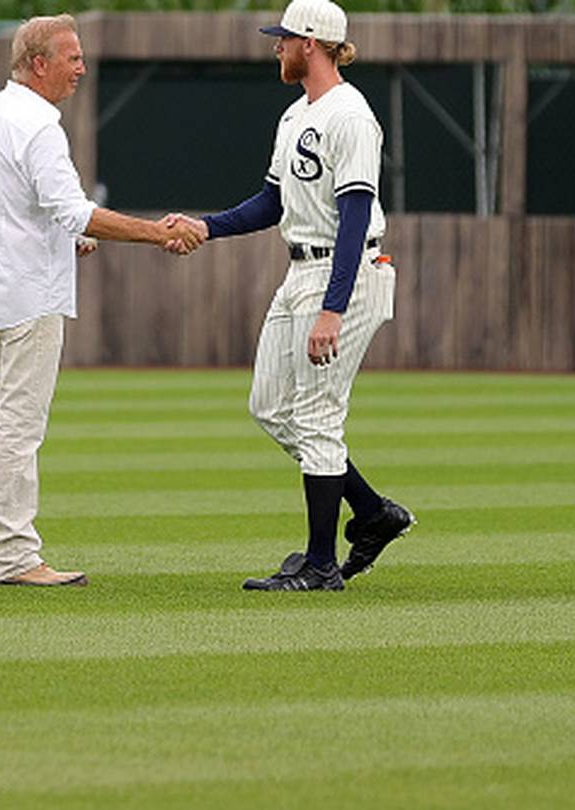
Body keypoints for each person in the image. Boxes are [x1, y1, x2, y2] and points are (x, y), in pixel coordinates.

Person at [170, 0, 414, 592]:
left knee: (317, 416)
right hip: (300, 270)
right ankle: (375, 513)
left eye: (283, 38)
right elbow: (271, 203)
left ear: (311, 43)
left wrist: (334, 307)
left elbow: (356, 213)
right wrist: (207, 226)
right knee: (270, 407)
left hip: (344, 273)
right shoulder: (293, 115)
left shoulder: (350, 115)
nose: (276, 46)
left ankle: (321, 563)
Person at [0, 14, 202, 587]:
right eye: (72, 58)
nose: (81, 69)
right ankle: (16, 556)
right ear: (38, 63)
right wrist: (157, 232)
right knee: (20, 428)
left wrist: (61, 236)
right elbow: (74, 209)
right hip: (33, 296)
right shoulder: (41, 125)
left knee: (3, 424)